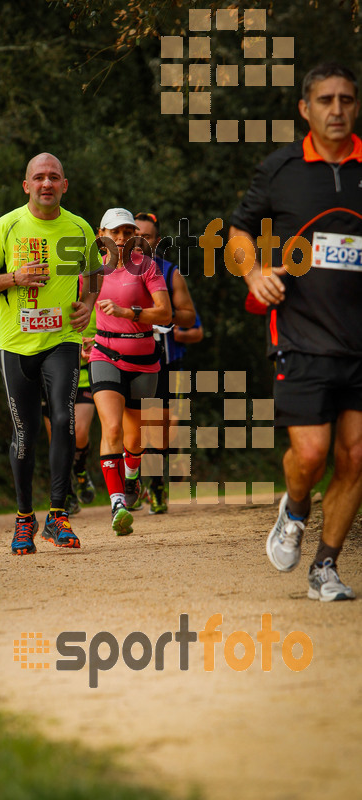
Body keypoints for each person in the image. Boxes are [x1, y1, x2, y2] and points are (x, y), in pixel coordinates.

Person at [228, 63, 362, 601]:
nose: (337, 109)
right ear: (305, 109)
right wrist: (254, 272)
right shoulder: (280, 168)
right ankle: (297, 506)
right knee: (311, 455)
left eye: (347, 100)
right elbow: (239, 231)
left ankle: (324, 567)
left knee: (355, 458)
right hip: (300, 335)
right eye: (326, 100)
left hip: (360, 341)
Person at [0, 152, 98, 555]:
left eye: (54, 177)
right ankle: (25, 518)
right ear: (26, 185)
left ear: (64, 185)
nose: (46, 183)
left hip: (61, 340)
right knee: (25, 433)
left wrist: (89, 303)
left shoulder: (80, 228)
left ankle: (57, 516)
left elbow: (95, 276)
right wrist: (14, 277)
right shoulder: (5, 226)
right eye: (39, 177)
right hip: (16, 344)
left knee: (64, 419)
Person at [88, 208, 172, 535]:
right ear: (101, 234)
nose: (120, 238)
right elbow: (76, 310)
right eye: (114, 232)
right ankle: (118, 503)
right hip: (104, 354)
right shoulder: (91, 271)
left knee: (134, 437)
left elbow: (165, 314)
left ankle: (134, 476)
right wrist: (78, 337)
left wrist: (129, 312)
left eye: (127, 232)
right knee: (111, 428)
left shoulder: (148, 268)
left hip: (143, 360)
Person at [134, 212, 201, 514]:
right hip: (129, 359)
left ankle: (160, 484)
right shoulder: (113, 273)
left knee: (166, 427)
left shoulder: (170, 272)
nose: (139, 241)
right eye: (134, 235)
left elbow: (191, 321)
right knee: (136, 427)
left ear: (156, 241)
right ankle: (134, 485)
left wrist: (165, 316)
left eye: (146, 237)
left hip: (168, 361)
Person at [42, 289, 98, 515]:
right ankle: (66, 491)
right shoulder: (50, 297)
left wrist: (93, 345)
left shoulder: (97, 298)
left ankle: (81, 471)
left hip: (83, 377)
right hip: (52, 378)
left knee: (80, 432)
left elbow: (109, 334)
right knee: (58, 437)